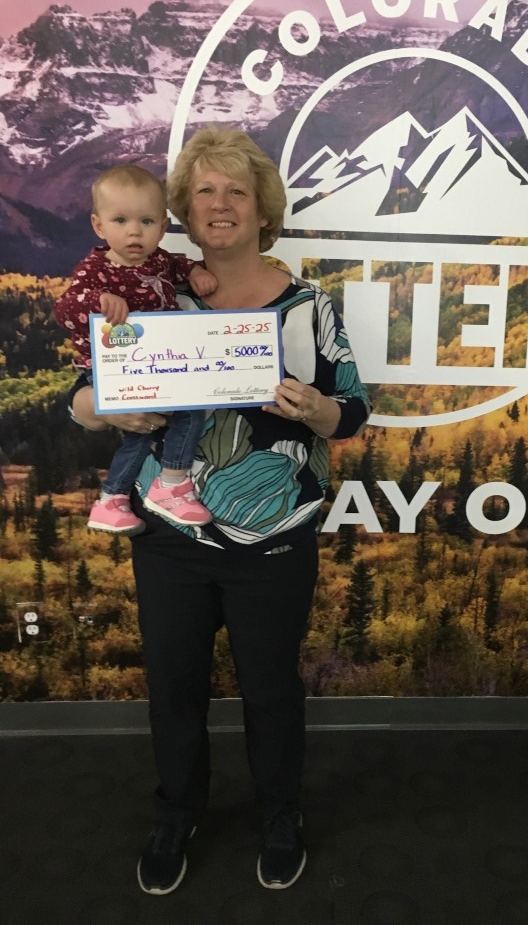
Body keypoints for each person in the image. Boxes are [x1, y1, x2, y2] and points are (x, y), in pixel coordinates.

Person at [69, 126, 371, 895]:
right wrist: (106, 410)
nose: (220, 204)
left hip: (272, 541)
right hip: (169, 535)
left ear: (263, 209)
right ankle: (177, 812)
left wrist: (314, 411)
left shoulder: (309, 306)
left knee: (271, 689)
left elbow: (355, 411)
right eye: (204, 190)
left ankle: (280, 813)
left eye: (236, 190)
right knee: (174, 688)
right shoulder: (150, 289)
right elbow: (81, 391)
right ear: (182, 210)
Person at [55, 164, 218, 534]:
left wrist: (193, 272)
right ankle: (172, 482)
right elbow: (65, 308)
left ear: (162, 226)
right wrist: (99, 299)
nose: (134, 231)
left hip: (156, 364)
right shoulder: (96, 269)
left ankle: (111, 499)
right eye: (121, 220)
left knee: (142, 433)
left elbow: (177, 263)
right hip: (113, 366)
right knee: (188, 411)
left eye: (146, 221)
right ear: (99, 226)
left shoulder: (159, 259)